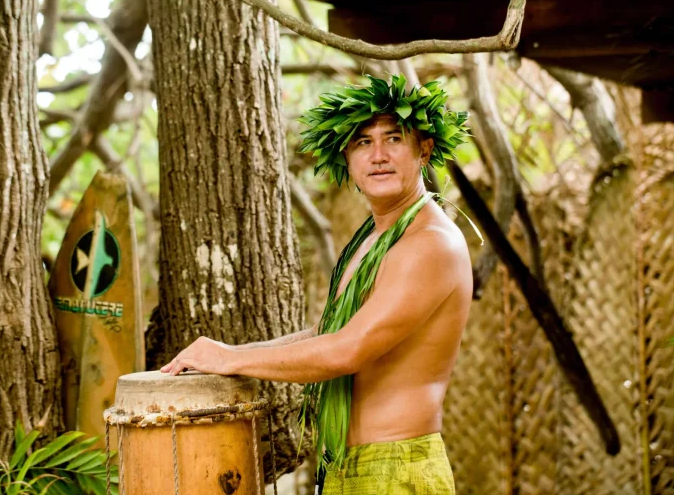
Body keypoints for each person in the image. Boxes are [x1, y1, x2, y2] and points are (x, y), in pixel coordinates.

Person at [161, 74, 474, 494]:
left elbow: (349, 350)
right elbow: (329, 333)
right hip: (343, 467)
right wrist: (224, 354)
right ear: (346, 157)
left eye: (393, 138)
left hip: (395, 470)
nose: (378, 155)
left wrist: (232, 360)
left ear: (424, 150)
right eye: (363, 142)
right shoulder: (375, 238)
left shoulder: (429, 243)